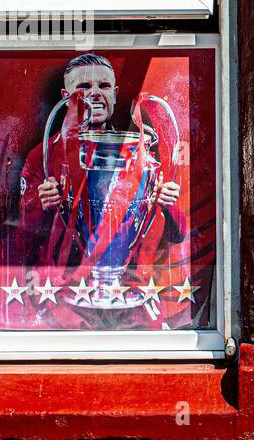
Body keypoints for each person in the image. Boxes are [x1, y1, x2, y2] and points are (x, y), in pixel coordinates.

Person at [16, 53, 186, 288]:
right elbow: (22, 238)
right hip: (62, 291)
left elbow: (178, 235)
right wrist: (40, 203)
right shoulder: (42, 156)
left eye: (103, 85)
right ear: (66, 98)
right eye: (84, 86)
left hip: (126, 288)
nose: (95, 93)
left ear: (114, 95)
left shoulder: (141, 155)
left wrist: (168, 205)